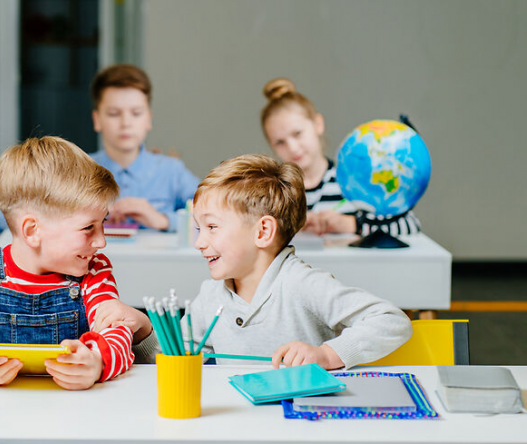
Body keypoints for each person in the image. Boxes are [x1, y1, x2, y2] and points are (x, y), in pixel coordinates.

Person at [0, 136, 152, 389]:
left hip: (73, 417)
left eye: (103, 223)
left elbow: (118, 333)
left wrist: (97, 362)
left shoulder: (95, 271)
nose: (101, 241)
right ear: (32, 231)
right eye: (88, 227)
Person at [186, 154, 411, 369]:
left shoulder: (303, 283)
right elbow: (172, 355)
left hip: (301, 407)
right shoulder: (210, 296)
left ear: (263, 231)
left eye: (212, 227)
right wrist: (148, 336)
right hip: (237, 409)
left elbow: (390, 321)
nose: (199, 243)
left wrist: (327, 354)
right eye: (199, 229)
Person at [260, 78, 421, 237]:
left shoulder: (354, 183)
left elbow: (409, 224)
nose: (293, 148)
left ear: (318, 124)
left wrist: (351, 224)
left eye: (298, 134)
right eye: (279, 142)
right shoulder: (276, 195)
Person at [88, 64, 199, 232]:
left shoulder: (171, 171)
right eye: (114, 114)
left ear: (148, 118)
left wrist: (162, 220)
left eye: (136, 113)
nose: (126, 123)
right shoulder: (79, 172)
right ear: (97, 120)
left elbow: (215, 215)